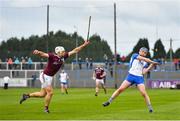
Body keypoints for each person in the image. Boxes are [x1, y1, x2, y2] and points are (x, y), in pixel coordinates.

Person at [19, 40, 90, 113]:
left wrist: (84, 45)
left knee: (42, 94)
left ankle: (26, 96)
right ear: (58, 52)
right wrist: (38, 52)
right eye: (62, 51)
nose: (64, 52)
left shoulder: (64, 57)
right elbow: (44, 54)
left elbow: (75, 50)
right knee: (50, 93)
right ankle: (46, 109)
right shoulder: (52, 56)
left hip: (49, 77)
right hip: (45, 75)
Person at [102, 47, 159, 113]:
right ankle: (109, 101)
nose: (143, 53)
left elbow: (143, 72)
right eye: (142, 51)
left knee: (143, 93)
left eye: (144, 52)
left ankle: (150, 108)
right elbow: (143, 58)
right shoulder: (135, 55)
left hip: (139, 78)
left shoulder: (145, 62)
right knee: (120, 89)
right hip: (131, 76)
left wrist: (151, 65)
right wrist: (152, 61)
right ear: (139, 51)